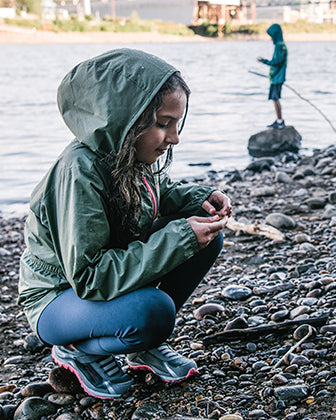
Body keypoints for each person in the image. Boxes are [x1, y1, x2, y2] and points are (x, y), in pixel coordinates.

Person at [18, 49, 232, 400]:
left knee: (204, 234)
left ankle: (142, 346)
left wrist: (200, 198)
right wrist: (179, 238)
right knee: (155, 310)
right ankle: (81, 350)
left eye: (176, 124)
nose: (174, 137)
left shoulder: (130, 153)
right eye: (163, 124)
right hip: (58, 297)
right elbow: (90, 276)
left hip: (95, 282)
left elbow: (155, 192)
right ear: (125, 118)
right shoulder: (79, 173)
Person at [257, 23, 288, 129]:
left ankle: (280, 121)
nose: (271, 38)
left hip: (277, 78)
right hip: (277, 77)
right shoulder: (280, 45)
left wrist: (263, 61)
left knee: (275, 98)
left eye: (271, 36)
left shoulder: (280, 46)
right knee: (275, 98)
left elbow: (277, 62)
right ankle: (279, 120)